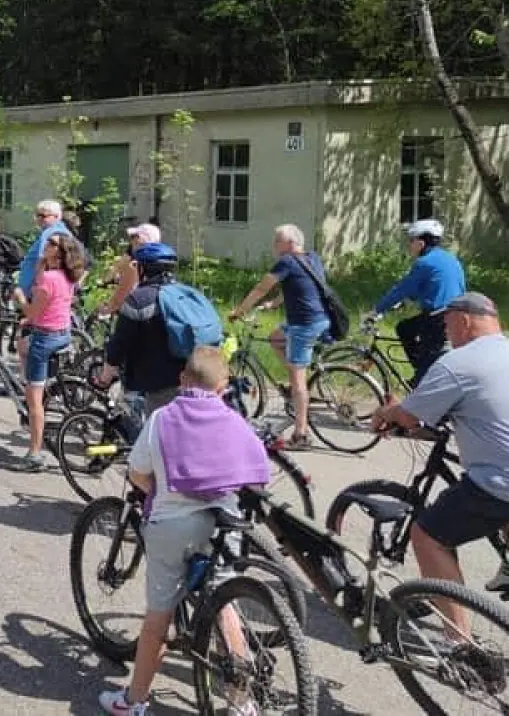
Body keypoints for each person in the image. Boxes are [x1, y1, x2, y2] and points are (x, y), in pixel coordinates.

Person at [369, 293, 509, 614]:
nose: (444, 331)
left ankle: (459, 646)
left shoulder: (457, 362)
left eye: (446, 322)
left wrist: (388, 412)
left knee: (427, 535)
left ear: (464, 321)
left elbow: (409, 417)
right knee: (490, 482)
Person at [97, 346, 272, 716]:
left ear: (182, 379)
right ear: (223, 386)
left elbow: (138, 473)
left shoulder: (162, 418)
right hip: (224, 523)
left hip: (172, 525)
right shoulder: (234, 419)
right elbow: (258, 472)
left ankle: (134, 701)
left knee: (157, 619)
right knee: (226, 606)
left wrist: (160, 490)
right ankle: (242, 702)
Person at [229, 224, 331, 449]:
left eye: (277, 241)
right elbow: (295, 286)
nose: (274, 245)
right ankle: (297, 384)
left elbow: (260, 288)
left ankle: (301, 433)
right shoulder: (311, 258)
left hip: (303, 325)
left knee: (298, 379)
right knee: (276, 338)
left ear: (290, 243)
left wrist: (240, 311)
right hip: (320, 319)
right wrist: (274, 304)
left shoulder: (286, 261)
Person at [95, 243, 187, 440]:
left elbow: (120, 344)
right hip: (189, 375)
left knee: (152, 439)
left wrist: (105, 376)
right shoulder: (185, 294)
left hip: (155, 381)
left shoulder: (138, 299)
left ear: (143, 268)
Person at [13, 232, 88, 472]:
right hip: (62, 333)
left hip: (45, 339)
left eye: (52, 244)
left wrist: (19, 299)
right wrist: (40, 265)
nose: (47, 244)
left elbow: (32, 311)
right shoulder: (67, 276)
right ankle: (35, 382)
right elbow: (47, 301)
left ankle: (34, 453)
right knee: (21, 345)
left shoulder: (49, 278)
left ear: (60, 252)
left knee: (34, 400)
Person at [370, 219, 467, 386]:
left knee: (425, 365)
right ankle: (423, 373)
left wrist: (377, 310)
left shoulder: (424, 263)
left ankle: (422, 379)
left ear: (421, 243)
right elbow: (431, 285)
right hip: (456, 313)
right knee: (405, 328)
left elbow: (400, 289)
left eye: (411, 240)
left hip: (437, 319)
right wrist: (408, 299)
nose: (409, 245)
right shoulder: (449, 259)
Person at [15, 199, 72, 302]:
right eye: (38, 215)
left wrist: (38, 285)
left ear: (57, 216)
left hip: (39, 289)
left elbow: (43, 260)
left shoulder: (50, 233)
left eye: (43, 216)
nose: (39, 219)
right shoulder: (64, 232)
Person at [99, 223, 161, 317]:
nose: (131, 241)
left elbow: (122, 293)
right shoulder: (160, 263)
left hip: (135, 313)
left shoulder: (135, 265)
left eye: (134, 237)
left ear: (141, 242)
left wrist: (108, 308)